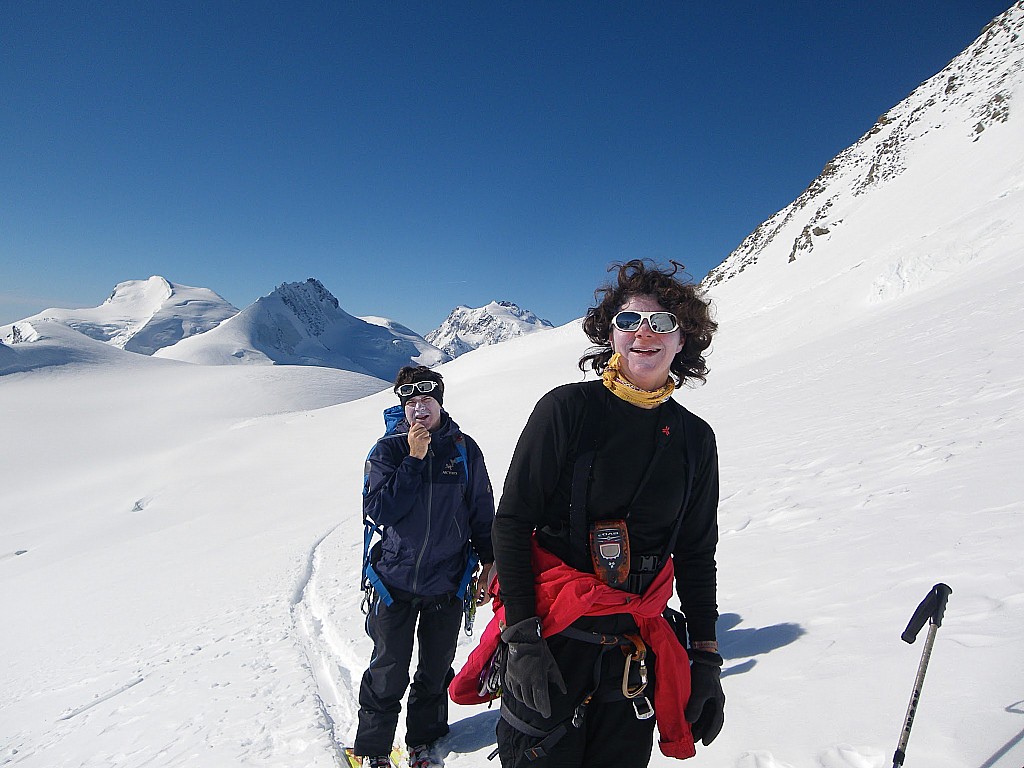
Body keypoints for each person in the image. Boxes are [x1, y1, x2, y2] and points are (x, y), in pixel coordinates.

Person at [489, 259, 724, 767]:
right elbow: (512, 523)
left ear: (682, 340)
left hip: (632, 655)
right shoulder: (567, 410)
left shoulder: (695, 439)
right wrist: (522, 637)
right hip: (552, 641)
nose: (644, 332)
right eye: (629, 320)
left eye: (662, 322)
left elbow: (695, 552)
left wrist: (706, 656)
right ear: (610, 334)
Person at [356, 366, 496, 768]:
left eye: (427, 401)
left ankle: (425, 743)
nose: (420, 409)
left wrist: (490, 561)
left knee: (435, 671)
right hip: (393, 581)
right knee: (388, 671)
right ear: (403, 407)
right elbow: (380, 511)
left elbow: (481, 510)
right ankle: (374, 750)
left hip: (447, 582)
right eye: (412, 402)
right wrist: (414, 460)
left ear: (440, 403)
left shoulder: (463, 450)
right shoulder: (388, 451)